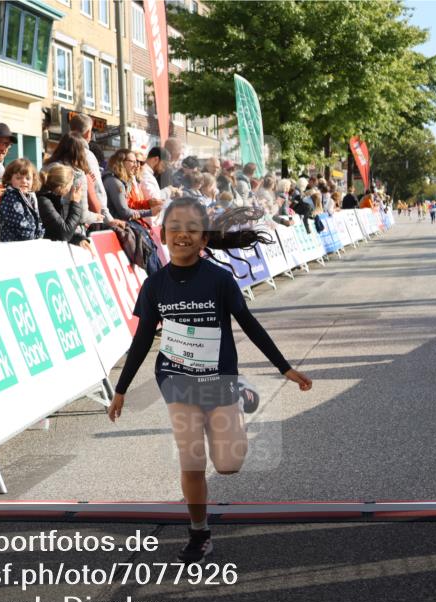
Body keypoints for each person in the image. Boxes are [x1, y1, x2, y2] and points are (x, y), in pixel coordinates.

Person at [106, 199, 312, 563]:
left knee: (228, 464)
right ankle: (199, 532)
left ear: (203, 238)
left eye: (191, 228)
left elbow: (249, 324)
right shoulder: (154, 286)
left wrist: (285, 368)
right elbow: (141, 342)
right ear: (164, 235)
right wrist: (120, 390)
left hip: (219, 380)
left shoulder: (219, 280)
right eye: (175, 228)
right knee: (191, 459)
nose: (182, 234)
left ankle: (241, 396)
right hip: (177, 381)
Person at [43, 133, 104, 227]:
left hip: (47, 224)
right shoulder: (77, 174)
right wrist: (97, 217)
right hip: (69, 227)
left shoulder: (47, 167)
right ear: (80, 152)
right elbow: (82, 215)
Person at [37, 163, 90, 250]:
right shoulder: (44, 201)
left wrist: (79, 239)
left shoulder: (53, 198)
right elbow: (64, 233)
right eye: (71, 184)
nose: (71, 187)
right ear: (63, 186)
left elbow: (61, 229)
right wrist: (75, 203)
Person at [0, 159, 43, 242]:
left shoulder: (29, 197)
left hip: (26, 243)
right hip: (13, 244)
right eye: (18, 178)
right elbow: (19, 222)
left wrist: (39, 234)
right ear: (9, 179)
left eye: (28, 178)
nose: (24, 181)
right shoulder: (11, 197)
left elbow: (37, 220)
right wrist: (34, 237)